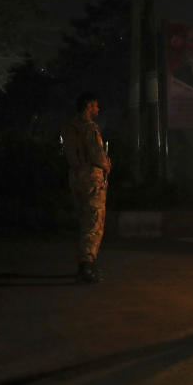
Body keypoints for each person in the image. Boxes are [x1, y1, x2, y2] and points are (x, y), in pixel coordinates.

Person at [61, 92, 111, 284]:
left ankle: (84, 264)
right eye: (96, 106)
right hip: (91, 177)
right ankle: (87, 266)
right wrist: (106, 164)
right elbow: (96, 154)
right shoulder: (89, 128)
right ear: (88, 106)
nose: (98, 109)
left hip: (75, 176)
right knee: (93, 221)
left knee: (83, 220)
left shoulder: (69, 128)